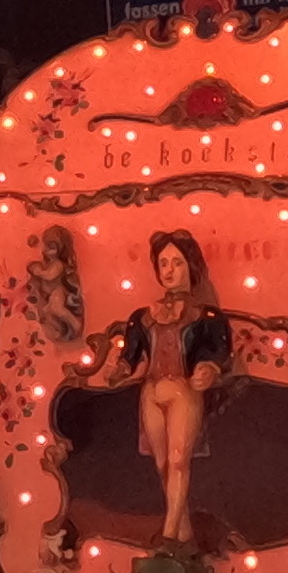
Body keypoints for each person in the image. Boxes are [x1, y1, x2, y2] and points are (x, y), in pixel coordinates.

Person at [86, 232, 242, 553]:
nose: (169, 270)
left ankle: (168, 536)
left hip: (182, 391)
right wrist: (119, 370)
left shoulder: (207, 317)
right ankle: (184, 536)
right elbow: (130, 354)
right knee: (162, 466)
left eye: (177, 263)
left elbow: (219, 352)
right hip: (151, 392)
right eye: (164, 263)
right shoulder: (142, 317)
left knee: (178, 461)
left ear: (191, 267)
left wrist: (208, 368)